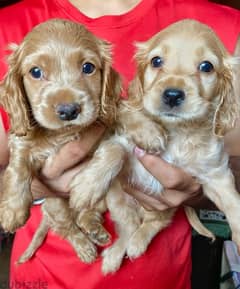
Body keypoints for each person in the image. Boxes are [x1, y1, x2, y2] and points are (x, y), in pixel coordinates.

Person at [0, 0, 239, 288]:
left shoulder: (227, 27)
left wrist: (198, 192)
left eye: (88, 67)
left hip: (160, 276)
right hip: (44, 277)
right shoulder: (7, 25)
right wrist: (37, 187)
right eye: (37, 73)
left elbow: (231, 166)